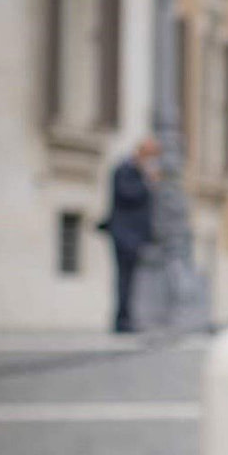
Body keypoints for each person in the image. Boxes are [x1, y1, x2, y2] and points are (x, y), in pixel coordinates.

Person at [99, 137, 160, 333]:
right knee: (124, 278)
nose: (152, 161)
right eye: (150, 156)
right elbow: (127, 195)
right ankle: (122, 321)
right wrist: (147, 183)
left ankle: (128, 318)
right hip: (125, 234)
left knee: (132, 278)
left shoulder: (137, 172)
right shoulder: (124, 170)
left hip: (135, 234)